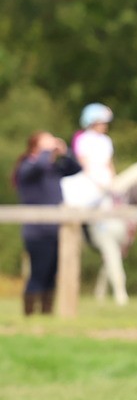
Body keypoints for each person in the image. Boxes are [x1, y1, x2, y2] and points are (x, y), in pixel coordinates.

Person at [13, 132, 80, 315]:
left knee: (51, 275)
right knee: (38, 273)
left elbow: (76, 168)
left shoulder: (52, 169)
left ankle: (46, 313)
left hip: (55, 229)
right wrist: (47, 150)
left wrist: (65, 153)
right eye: (47, 142)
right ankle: (29, 313)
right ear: (36, 146)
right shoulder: (27, 167)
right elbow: (39, 166)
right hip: (37, 231)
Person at [73, 103, 116, 199]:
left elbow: (109, 163)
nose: (105, 126)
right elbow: (83, 162)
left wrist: (113, 179)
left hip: (106, 180)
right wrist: (96, 181)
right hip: (90, 180)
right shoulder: (84, 139)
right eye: (102, 123)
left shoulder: (106, 140)